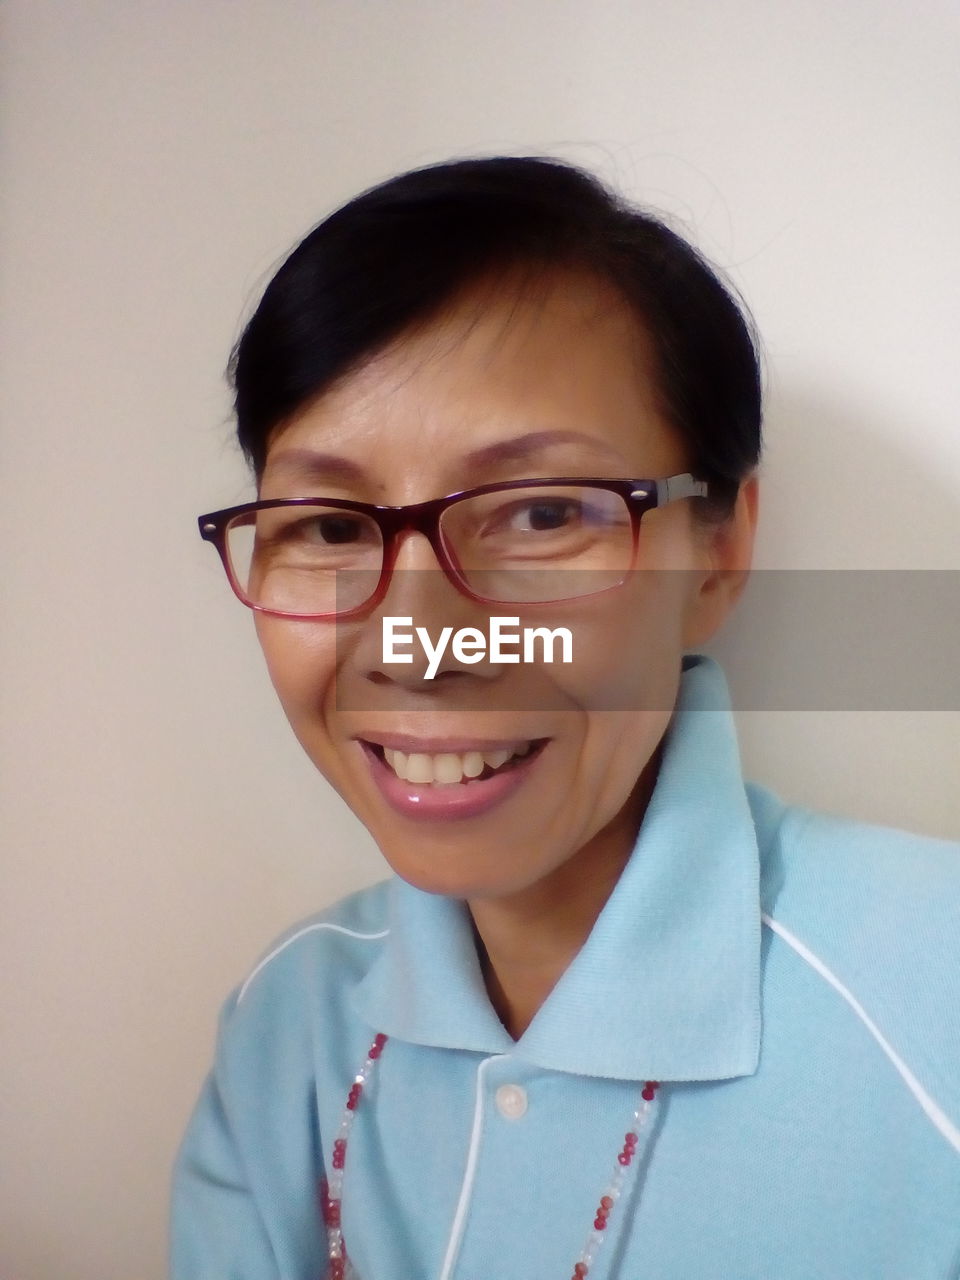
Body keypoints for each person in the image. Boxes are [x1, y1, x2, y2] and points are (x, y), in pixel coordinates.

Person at [171, 157, 960, 1280]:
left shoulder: (938, 1001)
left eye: (540, 512)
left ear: (720, 549)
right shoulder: (288, 1024)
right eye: (333, 526)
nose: (419, 642)